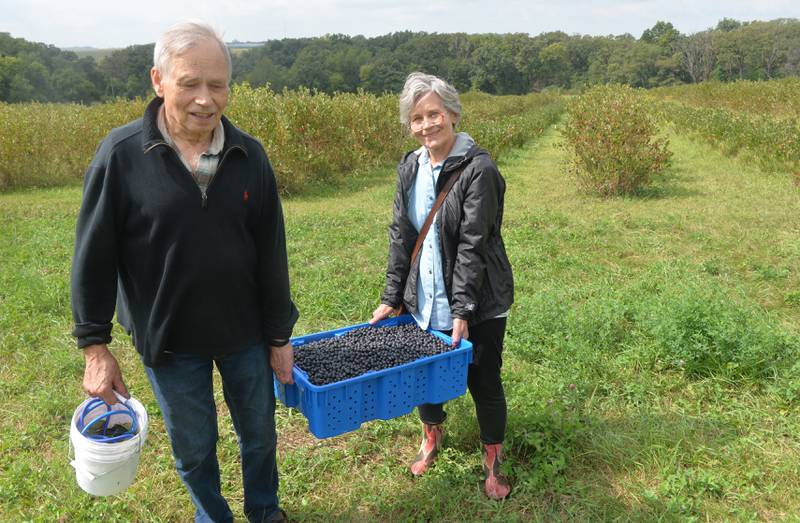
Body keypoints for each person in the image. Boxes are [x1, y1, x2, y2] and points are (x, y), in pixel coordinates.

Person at [70, 20, 298, 522]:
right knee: (194, 450)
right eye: (190, 83)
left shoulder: (248, 155)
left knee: (259, 436)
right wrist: (94, 346)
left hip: (245, 333)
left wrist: (279, 336)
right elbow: (93, 258)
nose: (204, 99)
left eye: (217, 85)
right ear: (159, 80)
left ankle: (265, 512)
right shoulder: (122, 155)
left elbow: (270, 252)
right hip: (169, 340)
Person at [370, 72, 515, 500]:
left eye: (434, 113)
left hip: (479, 302)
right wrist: (392, 297)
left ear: (452, 113)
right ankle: (432, 438)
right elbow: (402, 236)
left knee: (483, 378)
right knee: (424, 378)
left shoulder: (479, 170)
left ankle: (493, 460)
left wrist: (463, 311)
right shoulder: (410, 167)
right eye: (417, 118)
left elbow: (473, 244)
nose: (427, 124)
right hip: (424, 301)